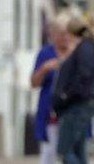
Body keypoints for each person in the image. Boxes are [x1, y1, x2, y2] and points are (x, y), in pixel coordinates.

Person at [52, 15, 94, 164]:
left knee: (65, 150)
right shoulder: (86, 47)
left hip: (76, 106)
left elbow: (84, 76)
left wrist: (65, 95)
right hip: (79, 104)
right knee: (78, 150)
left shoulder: (86, 48)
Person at [30, 14, 70, 164]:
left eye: (68, 34)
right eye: (61, 34)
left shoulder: (77, 53)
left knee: (71, 154)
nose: (65, 38)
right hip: (51, 115)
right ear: (53, 35)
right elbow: (34, 83)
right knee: (49, 154)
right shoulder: (46, 54)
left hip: (72, 114)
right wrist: (45, 69)